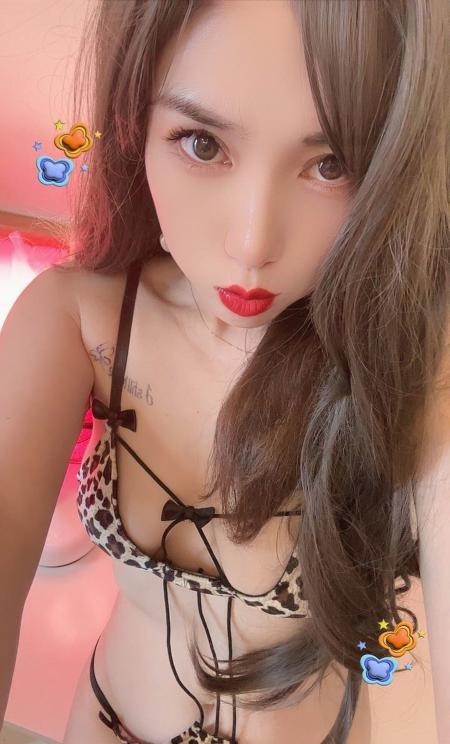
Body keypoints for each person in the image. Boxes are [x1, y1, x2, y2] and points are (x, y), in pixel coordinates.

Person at [1, 1, 448, 743]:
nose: (251, 243)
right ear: (136, 127)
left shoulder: (414, 370)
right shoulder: (79, 320)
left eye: (331, 163)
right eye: (202, 143)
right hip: (106, 721)